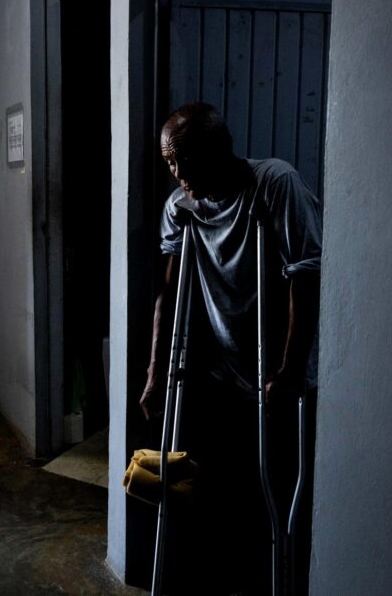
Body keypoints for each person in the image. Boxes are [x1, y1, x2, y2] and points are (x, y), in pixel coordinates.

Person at [140, 102, 322, 595]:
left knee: (282, 505)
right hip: (223, 377)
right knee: (224, 504)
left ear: (219, 149)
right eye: (169, 163)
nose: (176, 173)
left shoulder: (274, 184)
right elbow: (170, 292)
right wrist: (157, 373)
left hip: (279, 380)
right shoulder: (182, 207)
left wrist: (287, 374)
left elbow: (307, 276)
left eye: (183, 160)